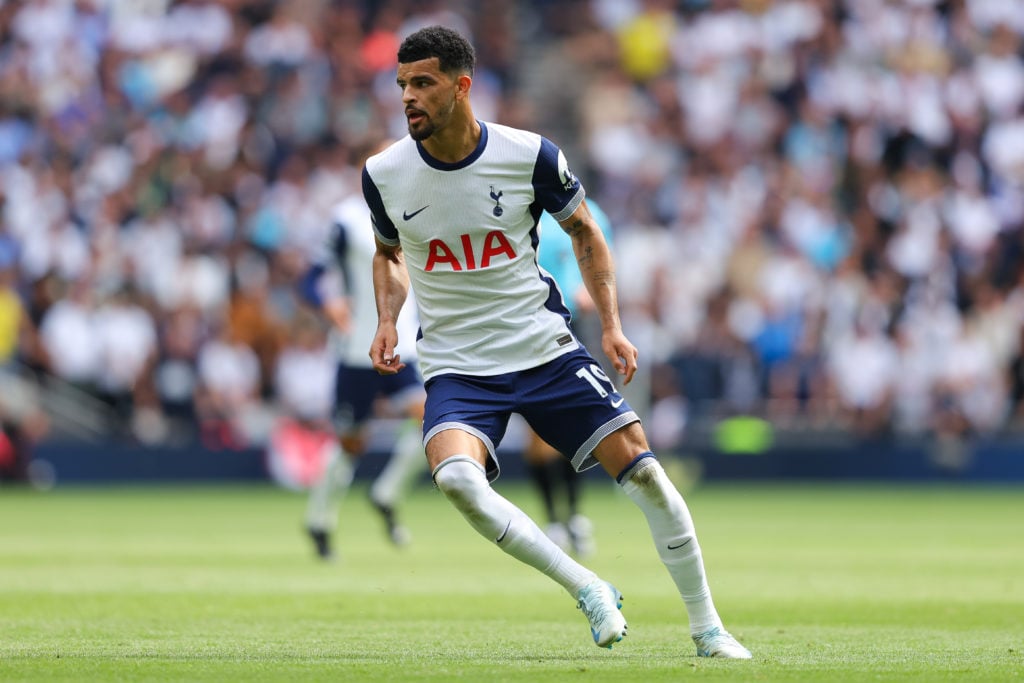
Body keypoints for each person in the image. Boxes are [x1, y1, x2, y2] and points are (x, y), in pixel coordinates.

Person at [362, 26, 751, 658]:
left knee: (646, 473)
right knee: (457, 480)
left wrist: (614, 324)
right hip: (458, 364)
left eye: (423, 83)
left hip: (542, 349)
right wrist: (386, 317)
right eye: (402, 84)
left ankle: (708, 628)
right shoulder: (384, 173)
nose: (408, 96)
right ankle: (589, 587)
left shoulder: (529, 155)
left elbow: (587, 234)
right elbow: (387, 255)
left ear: (461, 88)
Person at [298, 170, 427, 561]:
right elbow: (311, 278)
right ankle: (319, 519)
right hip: (357, 349)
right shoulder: (347, 220)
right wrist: (329, 304)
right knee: (352, 443)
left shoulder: (418, 210)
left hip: (402, 345)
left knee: (431, 420)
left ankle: (385, 493)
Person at [525, 202, 614, 558]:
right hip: (529, 325)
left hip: (571, 325)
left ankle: (574, 515)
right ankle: (553, 520)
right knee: (537, 434)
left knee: (575, 426)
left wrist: (584, 290)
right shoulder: (519, 206)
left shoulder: (592, 211)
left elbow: (601, 257)